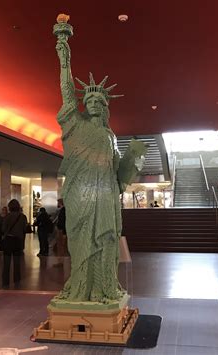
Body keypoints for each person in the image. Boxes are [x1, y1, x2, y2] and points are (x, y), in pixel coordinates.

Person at [53, 26, 146, 303]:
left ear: (106, 106)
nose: (92, 102)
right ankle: (81, 287)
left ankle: (104, 287)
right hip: (80, 194)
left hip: (105, 196)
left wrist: (133, 161)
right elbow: (67, 91)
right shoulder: (74, 125)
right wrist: (64, 54)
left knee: (106, 241)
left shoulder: (110, 136)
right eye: (89, 99)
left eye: (98, 100)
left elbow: (117, 176)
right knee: (81, 241)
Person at [1, 199, 28, 287]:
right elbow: (24, 229)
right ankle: (17, 282)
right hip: (18, 241)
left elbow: (3, 229)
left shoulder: (7, 217)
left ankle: (5, 282)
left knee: (6, 264)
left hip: (8, 241)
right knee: (17, 264)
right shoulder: (23, 217)